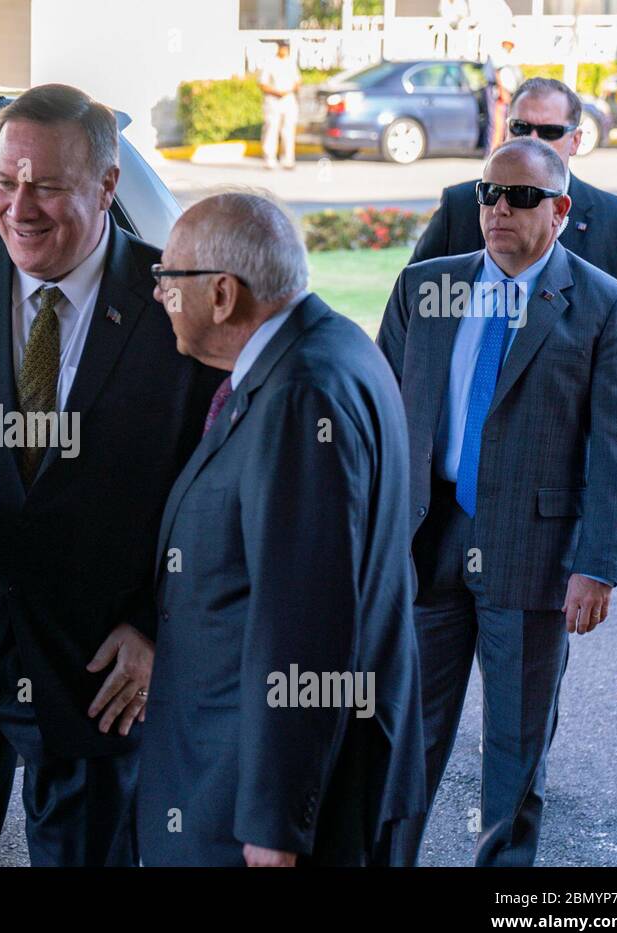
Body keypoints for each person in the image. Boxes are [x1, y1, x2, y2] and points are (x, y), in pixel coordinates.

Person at [0, 83, 223, 867]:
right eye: (5, 180)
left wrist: (164, 631)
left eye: (48, 187)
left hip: (100, 673)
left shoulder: (176, 300)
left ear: (107, 186)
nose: (20, 207)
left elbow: (217, 497)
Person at [378, 137, 617, 866]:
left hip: (533, 554)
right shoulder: (424, 288)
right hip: (424, 542)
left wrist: (597, 567)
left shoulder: (607, 306)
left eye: (523, 196)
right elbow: (376, 413)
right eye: (489, 193)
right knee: (404, 737)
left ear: (560, 210)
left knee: (514, 750)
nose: (500, 208)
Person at [137, 191, 426, 867]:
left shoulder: (301, 394)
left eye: (166, 279)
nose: (157, 296)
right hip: (279, 780)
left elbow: (306, 619)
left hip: (259, 807)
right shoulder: (327, 347)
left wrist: (274, 824)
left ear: (222, 295)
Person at [411, 78, 617, 370]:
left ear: (576, 140)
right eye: (520, 127)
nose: (532, 139)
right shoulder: (463, 205)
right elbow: (415, 306)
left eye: (550, 131)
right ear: (506, 130)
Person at [258, 41, 300, 171]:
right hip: (273, 99)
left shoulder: (291, 62)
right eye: (283, 47)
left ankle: (288, 159)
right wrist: (276, 92)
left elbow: (298, 81)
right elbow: (262, 84)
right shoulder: (270, 63)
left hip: (288, 99)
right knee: (271, 128)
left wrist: (288, 91)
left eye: (286, 48)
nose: (284, 50)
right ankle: (269, 159)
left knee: (288, 130)